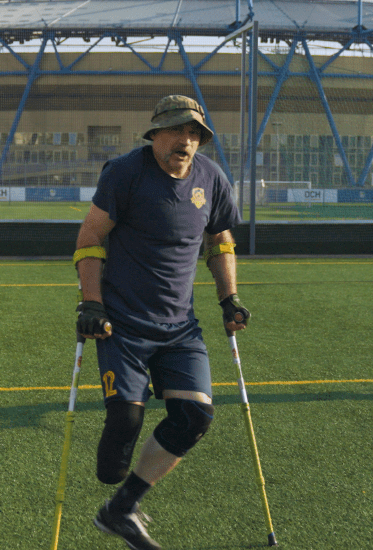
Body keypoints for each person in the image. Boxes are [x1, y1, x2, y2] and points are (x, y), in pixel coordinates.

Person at [73, 94, 249, 550]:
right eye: (176, 132)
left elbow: (221, 239)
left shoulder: (212, 179)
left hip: (179, 327)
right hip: (123, 324)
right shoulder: (125, 173)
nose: (185, 142)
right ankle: (116, 484)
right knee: (125, 424)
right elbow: (91, 235)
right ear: (155, 134)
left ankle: (121, 509)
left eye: (194, 134)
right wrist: (91, 303)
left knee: (194, 415)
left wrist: (229, 298)